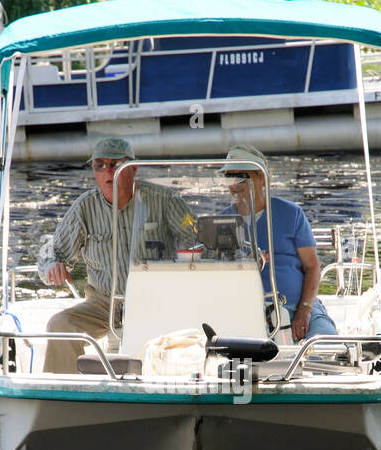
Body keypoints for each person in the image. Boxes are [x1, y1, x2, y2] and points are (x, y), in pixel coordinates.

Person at [37, 136, 193, 374]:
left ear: (134, 167)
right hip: (102, 304)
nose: (108, 171)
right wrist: (52, 265)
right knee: (59, 324)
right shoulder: (83, 207)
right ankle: (69, 396)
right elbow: (53, 252)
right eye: (100, 165)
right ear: (94, 171)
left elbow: (196, 239)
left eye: (115, 164)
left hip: (157, 300)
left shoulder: (166, 200)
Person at [220, 144, 338, 342]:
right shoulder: (222, 222)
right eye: (228, 177)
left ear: (260, 178)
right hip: (248, 311)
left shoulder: (291, 214)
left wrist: (304, 310)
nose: (233, 184)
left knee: (328, 345)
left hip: (297, 304)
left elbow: (313, 266)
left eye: (240, 176)